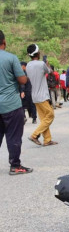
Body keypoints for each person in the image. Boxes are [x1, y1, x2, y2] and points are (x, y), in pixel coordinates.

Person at [0, 31, 33, 174]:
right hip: (11, 105)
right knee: (13, 136)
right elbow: (22, 80)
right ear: (4, 42)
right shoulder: (11, 58)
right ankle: (15, 166)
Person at [26, 44, 58, 146]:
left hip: (34, 96)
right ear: (38, 53)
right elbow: (51, 72)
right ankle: (34, 135)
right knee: (50, 115)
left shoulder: (28, 65)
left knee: (44, 118)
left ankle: (47, 140)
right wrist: (47, 64)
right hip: (42, 96)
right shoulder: (41, 64)